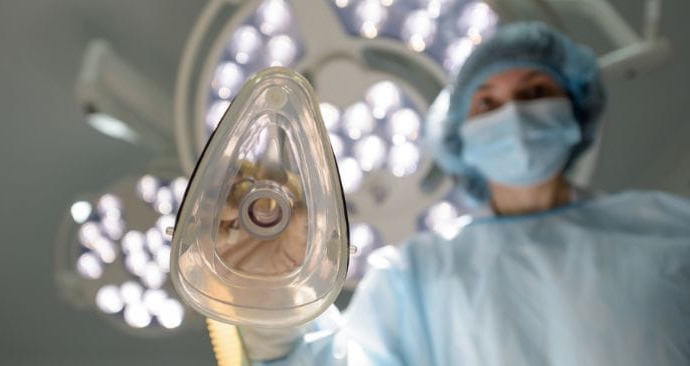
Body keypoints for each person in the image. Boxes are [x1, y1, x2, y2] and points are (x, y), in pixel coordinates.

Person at [237, 22, 690, 365]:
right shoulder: (416, 276)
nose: (514, 116)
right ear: (460, 134)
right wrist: (275, 294)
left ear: (576, 108)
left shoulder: (668, 230)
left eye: (535, 92)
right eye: (488, 103)